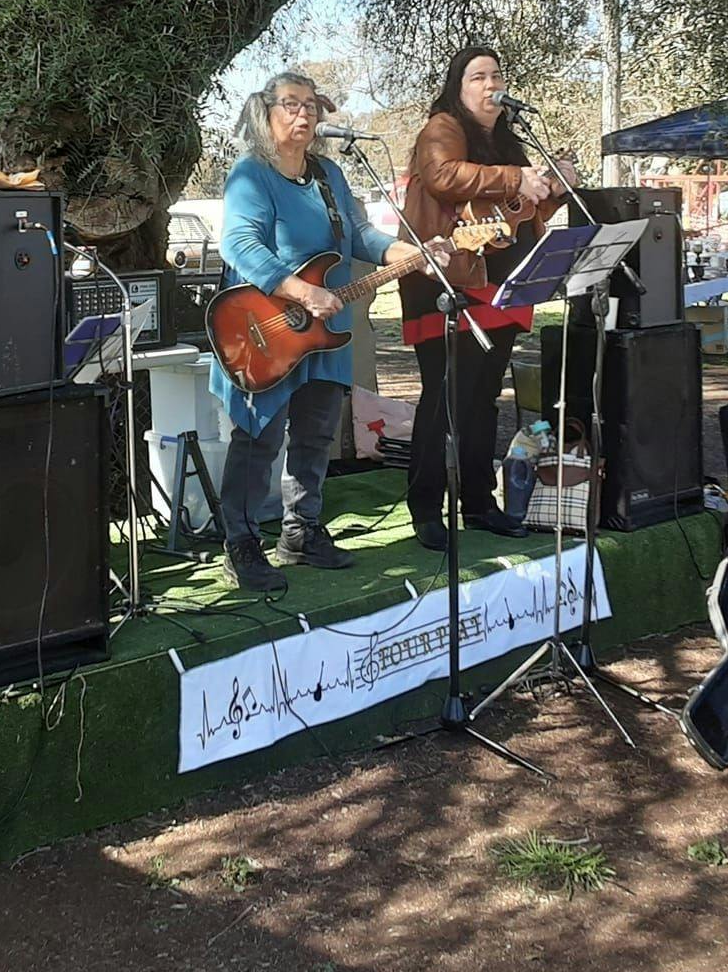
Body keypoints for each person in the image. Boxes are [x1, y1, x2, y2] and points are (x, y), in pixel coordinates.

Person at [211, 72, 441, 593]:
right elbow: (240, 245)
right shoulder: (251, 174)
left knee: (316, 435)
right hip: (263, 328)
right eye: (291, 104)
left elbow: (359, 234)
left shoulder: (329, 175)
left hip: (324, 331)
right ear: (266, 112)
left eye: (312, 106)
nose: (304, 115)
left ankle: (301, 533)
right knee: (259, 438)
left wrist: (409, 254)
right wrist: (300, 291)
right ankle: (241, 543)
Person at [401, 45, 572, 551]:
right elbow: (442, 176)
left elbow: (516, 209)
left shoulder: (508, 140)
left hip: (504, 283)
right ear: (458, 87)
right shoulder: (442, 127)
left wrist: (555, 186)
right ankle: (426, 509)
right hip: (447, 282)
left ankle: (478, 501)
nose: (490, 83)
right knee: (443, 399)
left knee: (481, 400)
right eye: (478, 76)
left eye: (496, 75)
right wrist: (516, 177)